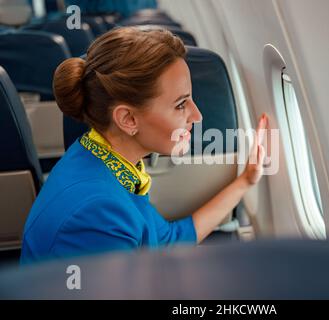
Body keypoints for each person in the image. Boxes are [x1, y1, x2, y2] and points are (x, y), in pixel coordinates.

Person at [20, 27, 267, 264]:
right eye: (181, 104)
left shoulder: (107, 161)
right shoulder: (97, 212)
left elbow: (168, 241)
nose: (197, 116)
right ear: (128, 119)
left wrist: (246, 180)